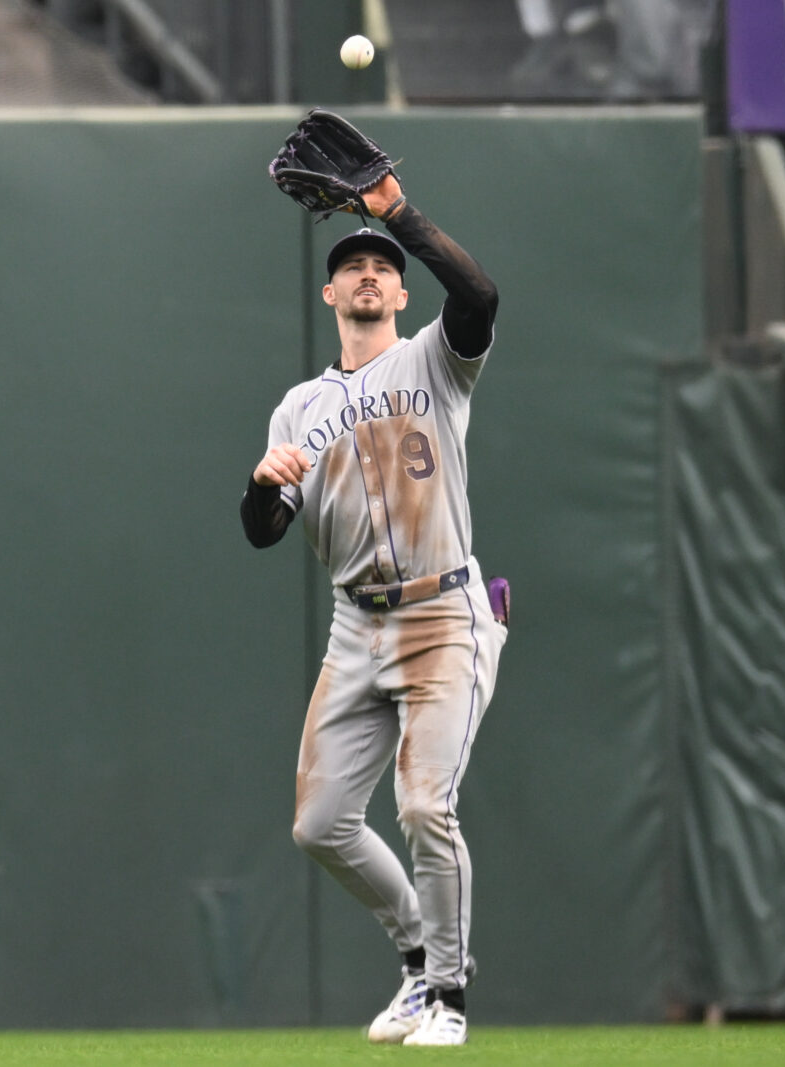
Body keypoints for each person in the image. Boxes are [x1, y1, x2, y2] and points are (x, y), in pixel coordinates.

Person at [240, 173, 506, 1047]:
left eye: (379, 267)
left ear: (398, 291)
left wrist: (396, 214)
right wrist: (261, 487)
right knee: (319, 824)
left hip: (443, 614)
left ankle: (450, 996)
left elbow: (478, 292)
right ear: (329, 292)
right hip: (356, 625)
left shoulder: (435, 359)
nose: (365, 273)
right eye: (350, 264)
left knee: (427, 806)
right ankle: (416, 955)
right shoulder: (300, 407)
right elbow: (264, 533)